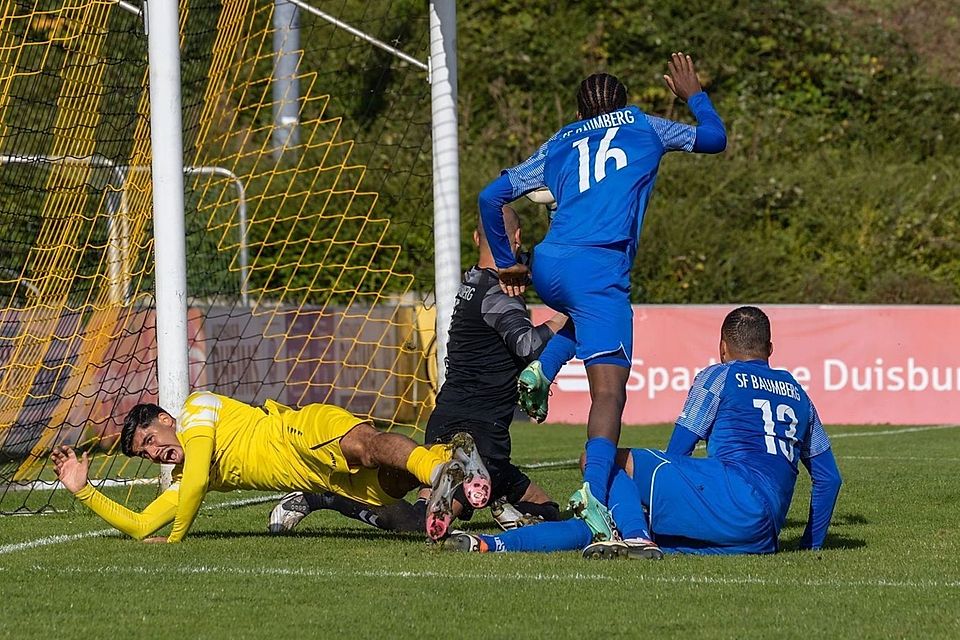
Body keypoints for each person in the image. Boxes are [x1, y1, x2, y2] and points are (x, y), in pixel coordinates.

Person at [477, 53, 727, 508]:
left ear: (578, 114)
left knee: (588, 320)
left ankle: (542, 368)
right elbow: (715, 139)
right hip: (599, 266)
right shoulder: (646, 125)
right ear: (623, 106)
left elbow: (491, 195)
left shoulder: (560, 141)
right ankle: (593, 492)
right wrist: (695, 97)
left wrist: (507, 259)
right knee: (609, 394)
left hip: (551, 265)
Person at [443, 306, 843, 558]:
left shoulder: (719, 377)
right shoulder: (799, 393)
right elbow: (829, 478)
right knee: (600, 526)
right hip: (762, 535)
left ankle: (638, 537)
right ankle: (490, 545)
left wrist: (649, 496)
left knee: (602, 461)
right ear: (769, 350)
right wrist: (809, 546)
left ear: (722, 346)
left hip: (728, 496)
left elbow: (678, 453)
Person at [269, 206, 568, 536]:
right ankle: (323, 496)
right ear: (517, 237)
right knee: (419, 523)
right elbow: (529, 348)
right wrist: (569, 317)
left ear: (475, 238)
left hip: (463, 425)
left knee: (547, 512)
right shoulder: (499, 293)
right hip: (476, 434)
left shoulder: (474, 281)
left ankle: (496, 501)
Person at [51, 391, 491, 542]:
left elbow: (200, 479)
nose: (154, 453)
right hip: (316, 476)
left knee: (367, 445)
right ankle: (452, 454)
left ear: (166, 421)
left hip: (299, 433)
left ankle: (439, 471)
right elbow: (143, 524)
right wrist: (83, 490)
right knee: (395, 491)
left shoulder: (195, 410)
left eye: (150, 440)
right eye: (145, 454)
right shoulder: (185, 478)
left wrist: (177, 538)